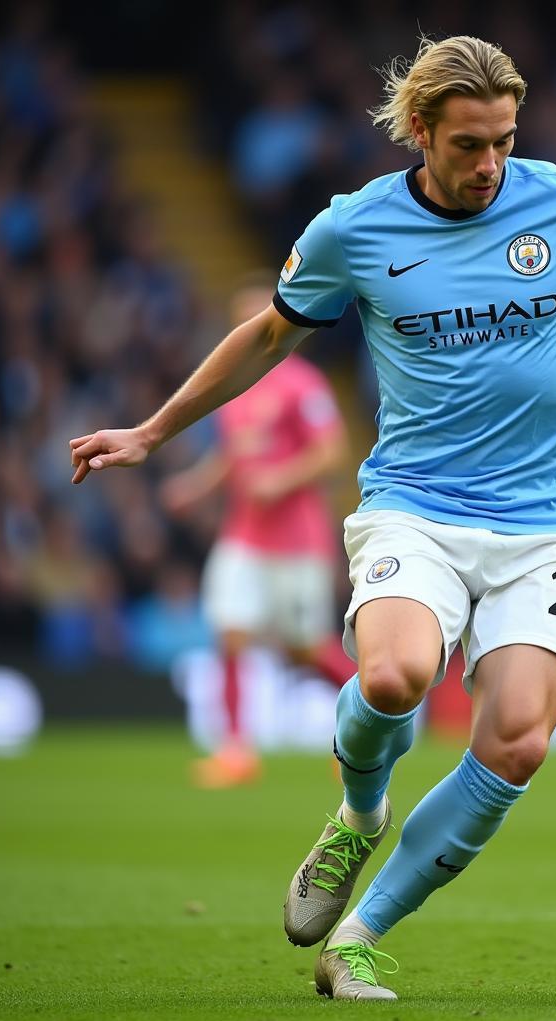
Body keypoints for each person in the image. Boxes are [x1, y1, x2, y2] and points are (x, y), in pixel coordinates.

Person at [70, 37, 556, 1001]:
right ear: (421, 134)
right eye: (471, 145)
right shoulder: (352, 230)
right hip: (418, 506)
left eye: (505, 142)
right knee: (394, 676)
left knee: (517, 739)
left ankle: (356, 936)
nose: (491, 165)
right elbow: (270, 334)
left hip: (552, 522)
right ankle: (359, 815)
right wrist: (152, 430)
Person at [160, 273, 349, 788]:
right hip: (244, 534)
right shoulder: (236, 388)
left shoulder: (303, 383)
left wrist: (281, 479)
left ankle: (365, 720)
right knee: (230, 632)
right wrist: (196, 488)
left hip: (298, 542)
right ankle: (236, 751)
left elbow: (332, 452)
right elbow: (234, 455)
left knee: (305, 648)